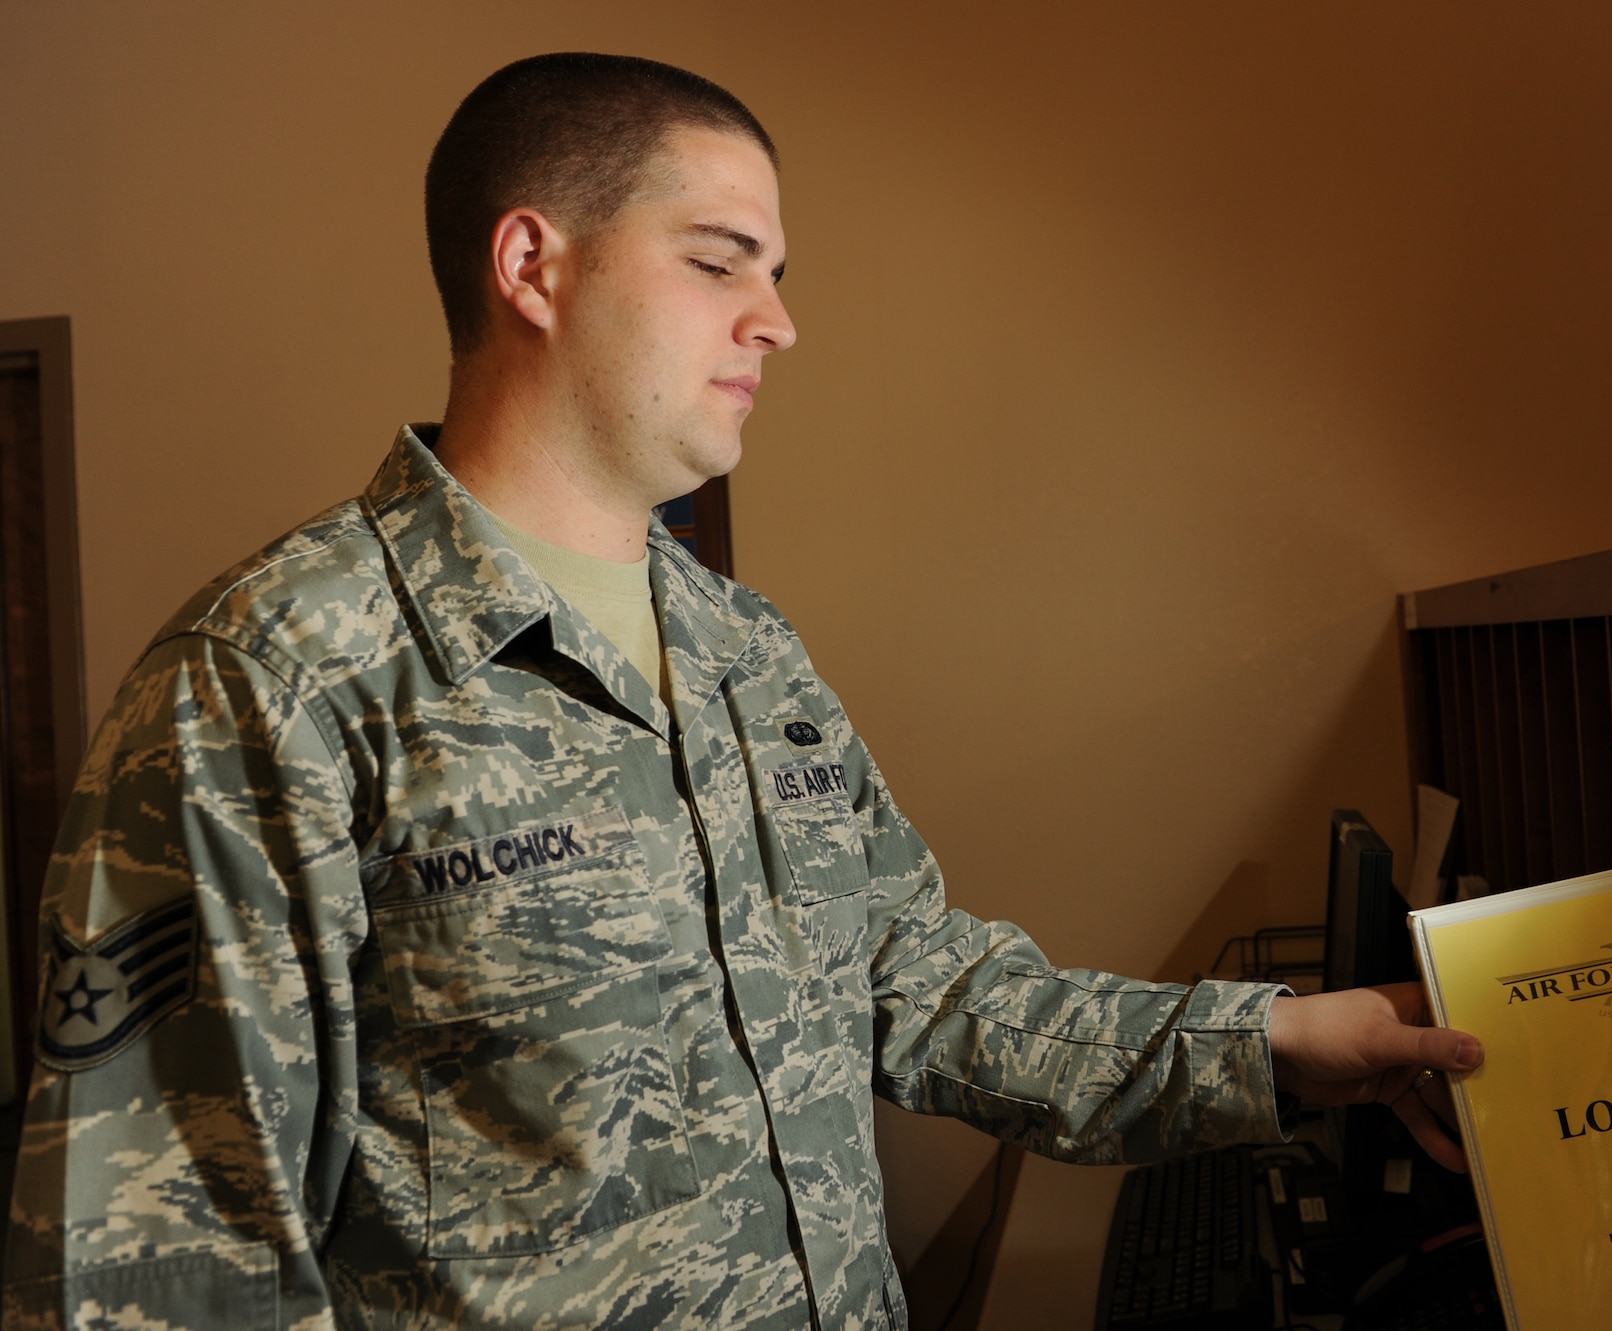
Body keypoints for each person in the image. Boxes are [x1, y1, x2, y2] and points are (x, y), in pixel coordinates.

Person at [1, 53, 1480, 1330]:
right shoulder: (271, 684)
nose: (776, 321)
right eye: (720, 262)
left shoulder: (742, 650)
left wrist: (1280, 1043)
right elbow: (161, 1269)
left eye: (778, 276)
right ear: (533, 264)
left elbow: (919, 984)